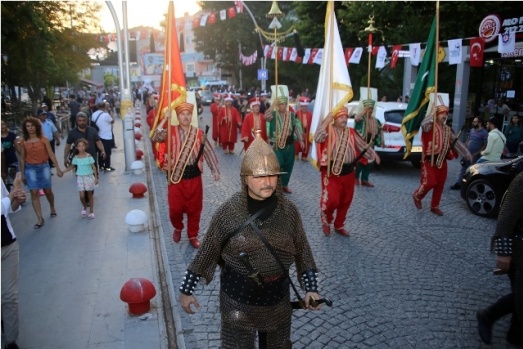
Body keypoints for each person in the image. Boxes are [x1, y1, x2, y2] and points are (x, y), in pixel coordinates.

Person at [179, 133, 323, 348]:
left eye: (272, 175)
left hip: (277, 298)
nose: (267, 182)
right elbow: (206, 252)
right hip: (238, 298)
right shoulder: (228, 212)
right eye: (258, 176)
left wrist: (311, 288)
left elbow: (303, 251)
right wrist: (186, 290)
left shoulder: (289, 211)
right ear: (245, 178)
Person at [155, 102, 220, 248]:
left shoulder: (198, 133)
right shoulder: (170, 132)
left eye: (188, 114)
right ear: (177, 116)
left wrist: (214, 169)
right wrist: (165, 119)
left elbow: (208, 151)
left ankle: (192, 235)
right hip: (175, 178)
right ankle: (178, 227)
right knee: (175, 210)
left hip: (194, 177)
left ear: (192, 116)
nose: (185, 117)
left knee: (195, 209)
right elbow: (156, 137)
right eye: (182, 114)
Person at [314, 106, 380, 236]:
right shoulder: (328, 130)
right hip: (331, 172)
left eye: (345, 116)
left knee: (346, 201)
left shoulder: (351, 132)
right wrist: (326, 122)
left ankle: (339, 225)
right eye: (341, 117)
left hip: (349, 172)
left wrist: (373, 153)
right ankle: (326, 218)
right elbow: (317, 138)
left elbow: (362, 146)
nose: (344, 119)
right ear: (335, 118)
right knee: (332, 200)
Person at [476, 171, 523, 347]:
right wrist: (504, 252)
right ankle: (488, 315)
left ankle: (515, 333)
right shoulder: (521, 182)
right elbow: (505, 219)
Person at [412, 104, 472, 216]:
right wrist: (431, 113)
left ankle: (434, 206)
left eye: (446, 113)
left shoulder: (447, 129)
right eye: (442, 113)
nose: (444, 115)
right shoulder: (430, 126)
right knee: (430, 182)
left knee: (440, 185)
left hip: (442, 161)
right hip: (429, 161)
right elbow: (423, 125)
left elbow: (456, 142)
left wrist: (466, 153)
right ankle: (417, 195)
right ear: (437, 114)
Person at [19, 117, 63, 228]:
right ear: (25, 128)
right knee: (34, 192)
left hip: (43, 166)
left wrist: (57, 168)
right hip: (30, 168)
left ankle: (52, 207)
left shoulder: (44, 139)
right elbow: (22, 158)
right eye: (28, 126)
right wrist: (22, 173)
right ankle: (39, 218)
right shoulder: (23, 142)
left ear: (36, 126)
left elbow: (51, 154)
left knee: (47, 190)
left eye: (32, 125)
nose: (30, 128)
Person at [1, 173, 26, 349]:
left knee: (9, 297)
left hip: (8, 245)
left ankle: (10, 340)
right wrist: (11, 195)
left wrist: (17, 197)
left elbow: (9, 209)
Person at [265, 95, 304, 194]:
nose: (283, 106)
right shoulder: (273, 115)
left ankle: (284, 185)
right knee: (278, 164)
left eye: (285, 104)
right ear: (278, 105)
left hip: (290, 145)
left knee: (288, 166)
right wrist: (273, 104)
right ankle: (274, 184)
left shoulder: (291, 115)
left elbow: (296, 129)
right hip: (278, 146)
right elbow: (265, 116)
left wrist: (301, 140)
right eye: (281, 104)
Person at [63, 138, 98, 219]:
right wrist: (63, 172)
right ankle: (84, 206)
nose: (81, 147)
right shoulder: (76, 158)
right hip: (80, 177)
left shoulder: (88, 156)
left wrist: (96, 178)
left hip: (88, 176)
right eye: (79, 146)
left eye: (83, 146)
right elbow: (71, 167)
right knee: (82, 196)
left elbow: (94, 167)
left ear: (85, 147)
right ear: (76, 147)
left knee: (89, 195)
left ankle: (91, 211)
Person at [450, 116, 488, 190]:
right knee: (463, 168)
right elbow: (468, 139)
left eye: (475, 122)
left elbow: (485, 145)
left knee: (471, 170)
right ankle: (458, 183)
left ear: (480, 123)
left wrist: (478, 153)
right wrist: (464, 148)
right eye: (473, 121)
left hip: (475, 155)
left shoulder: (484, 133)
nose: (473, 123)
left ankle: (468, 185)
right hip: (467, 153)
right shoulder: (472, 130)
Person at [354, 99, 384, 187]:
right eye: (368, 109)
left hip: (371, 144)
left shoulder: (376, 120)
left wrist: (382, 141)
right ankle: (355, 177)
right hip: (361, 144)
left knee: (369, 163)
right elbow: (356, 119)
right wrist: (364, 111)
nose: (370, 111)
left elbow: (380, 131)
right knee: (360, 161)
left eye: (371, 109)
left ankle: (364, 179)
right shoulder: (361, 119)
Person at [93, 102, 115, 171]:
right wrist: (111, 114)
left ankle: (101, 165)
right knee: (107, 152)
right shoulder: (106, 115)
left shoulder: (94, 114)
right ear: (105, 107)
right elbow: (112, 121)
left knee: (100, 151)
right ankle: (107, 166)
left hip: (98, 136)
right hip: (106, 135)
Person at [294, 96, 313, 161]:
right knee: (297, 143)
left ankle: (304, 156)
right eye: (303, 106)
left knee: (306, 144)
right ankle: (296, 154)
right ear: (301, 107)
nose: (304, 108)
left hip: (306, 132)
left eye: (306, 107)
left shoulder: (310, 114)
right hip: (299, 131)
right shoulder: (297, 113)